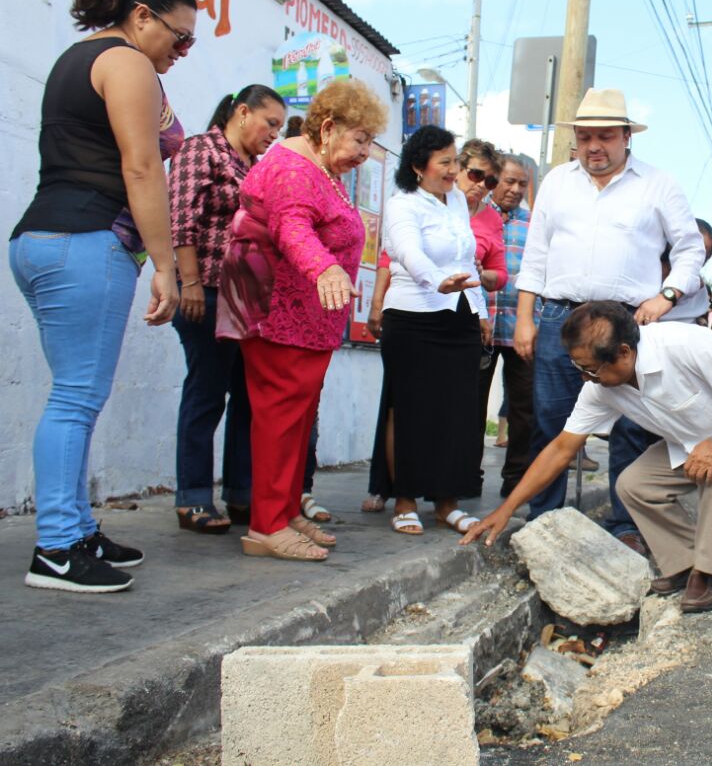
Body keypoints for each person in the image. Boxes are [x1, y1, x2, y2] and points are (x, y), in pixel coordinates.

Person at [12, 0, 194, 593]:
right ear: (142, 16)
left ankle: (77, 528)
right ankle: (57, 550)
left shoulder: (77, 58)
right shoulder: (127, 62)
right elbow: (141, 167)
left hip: (43, 239)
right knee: (76, 397)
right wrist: (166, 267)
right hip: (86, 241)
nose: (181, 52)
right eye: (179, 37)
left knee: (75, 393)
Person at [462, 303, 712, 614]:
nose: (585, 377)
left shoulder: (680, 343)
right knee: (634, 484)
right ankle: (685, 562)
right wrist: (505, 510)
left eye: (591, 369)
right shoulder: (600, 387)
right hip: (697, 442)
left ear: (623, 353)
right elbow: (561, 449)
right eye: (579, 367)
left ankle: (706, 572)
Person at [513, 89, 704, 554]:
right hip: (563, 316)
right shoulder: (557, 181)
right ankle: (546, 521)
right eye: (584, 137)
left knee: (632, 427)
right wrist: (524, 317)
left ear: (625, 137)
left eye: (604, 136)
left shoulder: (658, 184)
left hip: (628, 322)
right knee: (552, 423)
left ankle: (627, 526)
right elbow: (535, 254)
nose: (593, 146)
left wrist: (668, 295)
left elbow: (690, 249)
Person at [217, 79, 388, 562]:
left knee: (297, 419)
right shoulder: (293, 167)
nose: (364, 151)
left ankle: (287, 511)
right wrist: (325, 266)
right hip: (280, 313)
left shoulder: (320, 169)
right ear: (328, 128)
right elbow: (291, 226)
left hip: (308, 319)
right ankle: (266, 526)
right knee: (279, 418)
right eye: (360, 139)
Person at [168, 84, 285, 534]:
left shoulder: (253, 168)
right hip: (208, 291)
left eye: (279, 127)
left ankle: (241, 495)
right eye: (269, 123)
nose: (274, 133)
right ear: (241, 113)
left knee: (247, 399)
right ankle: (193, 497)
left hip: (245, 299)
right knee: (207, 392)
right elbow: (181, 217)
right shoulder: (202, 149)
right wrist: (189, 282)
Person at [368, 125, 486, 538]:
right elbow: (407, 251)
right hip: (414, 318)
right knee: (411, 411)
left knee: (457, 413)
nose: (456, 171)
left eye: (457, 161)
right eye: (446, 163)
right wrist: (437, 281)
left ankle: (447, 502)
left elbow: (468, 259)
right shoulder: (404, 204)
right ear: (419, 167)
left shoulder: (455, 201)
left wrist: (480, 310)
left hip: (459, 317)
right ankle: (404, 500)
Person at [482, 154, 537, 496]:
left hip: (520, 328)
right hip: (481, 327)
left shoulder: (534, 225)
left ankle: (515, 482)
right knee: (469, 407)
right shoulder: (474, 214)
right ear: (494, 180)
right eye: (509, 181)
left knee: (524, 410)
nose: (516, 190)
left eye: (522, 184)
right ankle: (464, 478)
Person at [458, 138, 510, 498]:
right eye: (476, 174)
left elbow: (498, 274)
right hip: (421, 311)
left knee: (465, 408)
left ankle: (456, 484)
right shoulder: (437, 202)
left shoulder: (491, 218)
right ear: (457, 168)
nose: (481, 184)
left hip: (469, 315)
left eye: (490, 180)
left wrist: (482, 275)